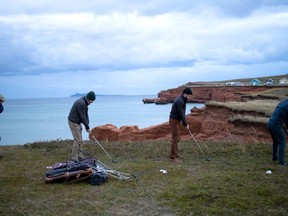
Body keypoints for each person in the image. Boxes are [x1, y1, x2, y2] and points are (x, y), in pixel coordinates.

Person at [68, 91, 96, 160]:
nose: (92, 102)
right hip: (73, 122)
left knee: (80, 140)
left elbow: (86, 114)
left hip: (78, 122)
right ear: (89, 99)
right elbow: (82, 117)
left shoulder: (85, 102)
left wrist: (87, 124)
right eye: (92, 101)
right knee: (77, 140)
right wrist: (87, 127)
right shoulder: (81, 103)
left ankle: (79, 155)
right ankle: (74, 157)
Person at [169, 87, 193, 162]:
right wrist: (185, 124)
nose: (190, 97)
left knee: (177, 137)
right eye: (189, 95)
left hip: (177, 120)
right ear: (185, 94)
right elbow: (181, 113)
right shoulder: (180, 101)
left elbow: (182, 112)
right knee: (176, 138)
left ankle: (175, 154)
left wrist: (184, 123)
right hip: (174, 120)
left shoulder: (183, 99)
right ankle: (173, 157)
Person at [267, 99, 288, 166]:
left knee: (275, 141)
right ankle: (281, 162)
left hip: (270, 123)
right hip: (276, 125)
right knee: (282, 142)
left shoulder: (283, 102)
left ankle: (274, 158)